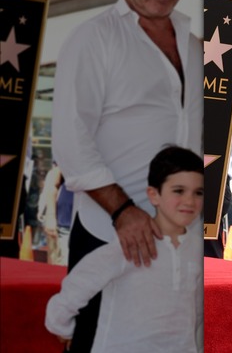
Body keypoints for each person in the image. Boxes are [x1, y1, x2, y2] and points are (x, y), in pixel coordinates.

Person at [50, 0, 201, 350]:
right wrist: (124, 212)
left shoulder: (194, 45)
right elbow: (71, 142)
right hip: (111, 230)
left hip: (180, 236)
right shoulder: (92, 40)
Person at [45, 146, 204, 353]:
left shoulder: (195, 249)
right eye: (178, 191)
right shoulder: (129, 245)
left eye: (198, 192)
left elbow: (198, 316)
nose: (189, 201)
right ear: (154, 195)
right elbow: (72, 293)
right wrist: (65, 329)